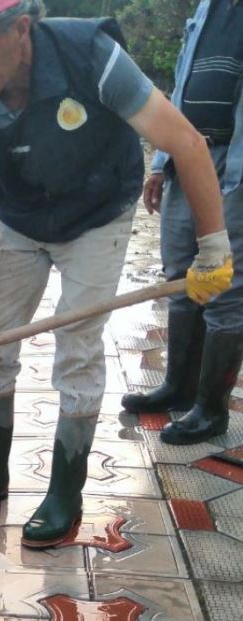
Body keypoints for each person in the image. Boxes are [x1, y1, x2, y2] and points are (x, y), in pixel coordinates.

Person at [0, 0, 234, 548]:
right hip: (21, 218)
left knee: (77, 343)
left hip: (97, 214)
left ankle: (65, 490)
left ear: (21, 28)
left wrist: (213, 251)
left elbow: (185, 142)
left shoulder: (93, 58)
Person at [120, 0, 243, 446]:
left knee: (225, 287)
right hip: (187, 155)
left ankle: (211, 410)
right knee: (179, 277)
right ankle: (179, 386)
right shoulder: (207, 8)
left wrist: (233, 180)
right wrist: (161, 160)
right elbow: (182, 86)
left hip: (233, 164)